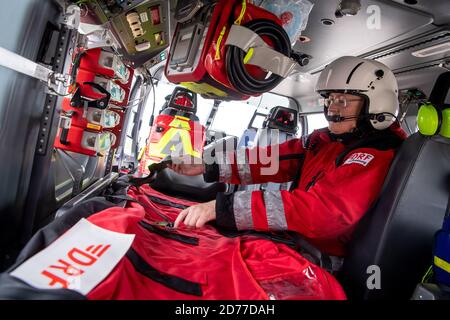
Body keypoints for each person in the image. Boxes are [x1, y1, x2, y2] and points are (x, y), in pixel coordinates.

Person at [168, 56, 407, 257]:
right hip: (294, 243)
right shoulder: (326, 141)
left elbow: (320, 213)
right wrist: (206, 165)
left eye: (342, 101)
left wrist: (224, 209)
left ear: (375, 104)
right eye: (330, 99)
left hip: (319, 259)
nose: (332, 108)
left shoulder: (375, 154)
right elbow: (272, 161)